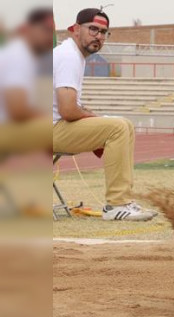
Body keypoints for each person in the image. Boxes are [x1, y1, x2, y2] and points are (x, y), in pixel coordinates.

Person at [52, 8, 156, 221]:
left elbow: (71, 108)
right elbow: (68, 110)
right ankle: (117, 204)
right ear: (75, 29)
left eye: (104, 32)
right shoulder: (69, 56)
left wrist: (96, 119)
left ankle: (122, 201)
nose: (98, 36)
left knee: (123, 124)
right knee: (117, 127)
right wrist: (98, 120)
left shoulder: (73, 55)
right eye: (93, 29)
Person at [0, 7, 54, 156]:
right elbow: (17, 110)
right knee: (54, 127)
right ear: (27, 29)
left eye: (52, 31)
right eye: (45, 29)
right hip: (4, 129)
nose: (49, 36)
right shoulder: (19, 56)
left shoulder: (18, 53)